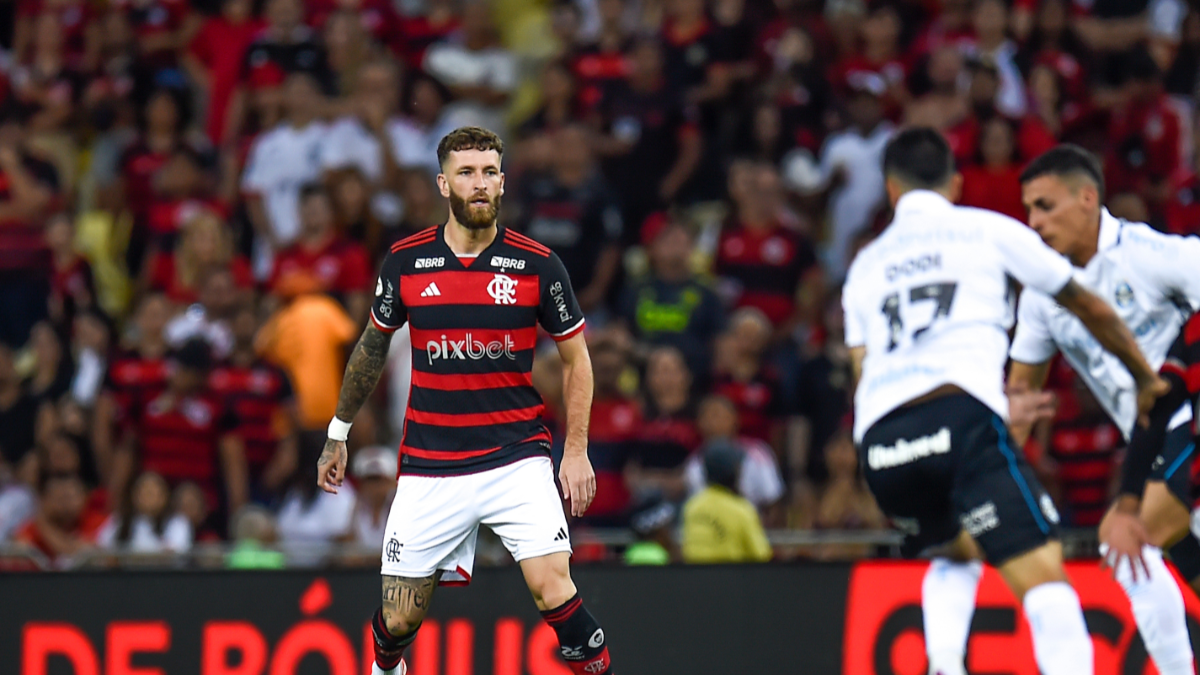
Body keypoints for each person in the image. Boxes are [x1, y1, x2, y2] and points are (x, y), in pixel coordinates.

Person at [843, 128, 1167, 675]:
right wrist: (1143, 378)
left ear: (892, 190)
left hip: (881, 445)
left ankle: (944, 664)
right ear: (956, 183)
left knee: (956, 547)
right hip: (959, 417)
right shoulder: (985, 230)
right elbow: (1085, 303)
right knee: (1046, 581)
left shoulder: (864, 267)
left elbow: (862, 369)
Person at [316, 127, 614, 675]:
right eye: (467, 172)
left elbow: (577, 360)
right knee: (398, 619)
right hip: (432, 464)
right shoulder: (406, 261)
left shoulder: (538, 265)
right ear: (443, 183)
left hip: (517, 456)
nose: (480, 184)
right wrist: (338, 433)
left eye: (490, 172)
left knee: (555, 591)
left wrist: (576, 451)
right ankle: (389, 667)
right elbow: (370, 347)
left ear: (503, 182)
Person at [923, 145, 1200, 675]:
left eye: (1046, 206)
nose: (1035, 223)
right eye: (1029, 210)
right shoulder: (1043, 296)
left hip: (1185, 416)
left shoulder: (1153, 255)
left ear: (1088, 199)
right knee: (1178, 550)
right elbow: (1021, 391)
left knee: (1127, 544)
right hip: (1149, 442)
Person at [681, 441, 772, 564]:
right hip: (732, 579)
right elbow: (761, 555)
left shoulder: (692, 506)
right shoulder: (742, 510)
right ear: (734, 472)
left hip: (696, 580)